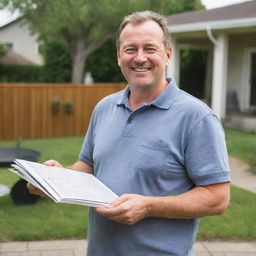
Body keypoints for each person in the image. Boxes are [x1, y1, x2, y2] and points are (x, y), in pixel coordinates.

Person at [28, 10, 230, 256]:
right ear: (119, 56)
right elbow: (89, 164)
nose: (140, 57)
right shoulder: (105, 107)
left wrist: (148, 206)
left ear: (167, 54)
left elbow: (217, 197)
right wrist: (56, 179)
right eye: (130, 49)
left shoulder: (196, 117)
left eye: (150, 48)